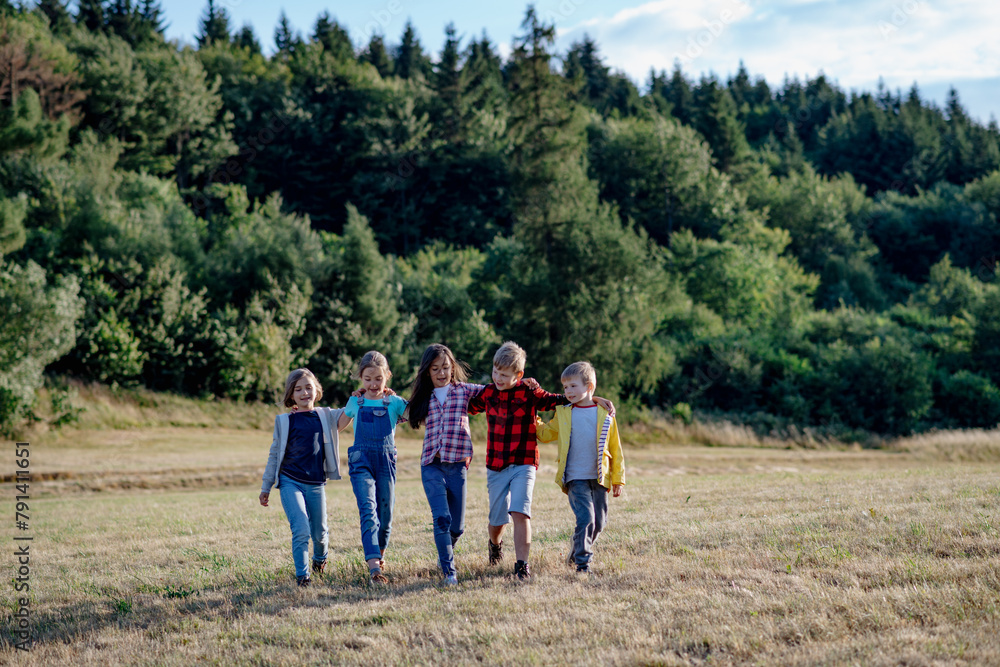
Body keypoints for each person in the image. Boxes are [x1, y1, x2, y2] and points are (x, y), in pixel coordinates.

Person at [467, 341, 615, 580]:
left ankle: (522, 566)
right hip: (496, 465)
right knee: (497, 519)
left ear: (519, 375)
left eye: (504, 375)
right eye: (495, 372)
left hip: (524, 462)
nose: (498, 378)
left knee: (520, 512)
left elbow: (563, 399)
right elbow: (465, 405)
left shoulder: (529, 392)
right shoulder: (488, 393)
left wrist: (593, 398)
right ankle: (495, 544)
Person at [259, 368, 351, 587]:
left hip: (316, 484)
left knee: (320, 534)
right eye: (298, 389)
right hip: (290, 481)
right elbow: (274, 454)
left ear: (316, 390)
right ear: (291, 394)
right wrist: (266, 486)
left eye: (308, 387)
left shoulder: (325, 416)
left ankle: (320, 559)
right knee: (301, 529)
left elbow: (349, 413)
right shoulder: (285, 421)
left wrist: (360, 395)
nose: (304, 393)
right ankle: (303, 577)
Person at [407, 344, 485, 585]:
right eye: (435, 369)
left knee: (457, 527)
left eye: (445, 367)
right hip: (432, 465)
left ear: (453, 368)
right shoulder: (423, 398)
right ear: (427, 372)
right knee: (441, 517)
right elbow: (395, 407)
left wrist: (523, 383)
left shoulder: (464, 390)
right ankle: (449, 571)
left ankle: (445, 549)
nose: (441, 373)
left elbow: (496, 391)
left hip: (457, 466)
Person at [537, 361, 625, 574]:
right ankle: (583, 564)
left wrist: (618, 479)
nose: (568, 391)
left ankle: (577, 551)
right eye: (565, 387)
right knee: (586, 518)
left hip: (599, 477)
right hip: (575, 477)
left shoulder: (605, 414)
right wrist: (532, 417)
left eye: (573, 386)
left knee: (599, 523)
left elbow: (615, 448)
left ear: (589, 386)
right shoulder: (564, 413)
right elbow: (545, 434)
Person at [343, 351, 408, 585]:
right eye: (368, 379)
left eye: (378, 379)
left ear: (387, 376)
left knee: (385, 516)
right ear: (360, 377)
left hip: (386, 462)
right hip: (361, 461)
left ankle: (380, 555)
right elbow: (335, 424)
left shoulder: (394, 403)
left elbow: (418, 416)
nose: (373, 384)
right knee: (368, 511)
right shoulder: (355, 402)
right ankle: (374, 568)